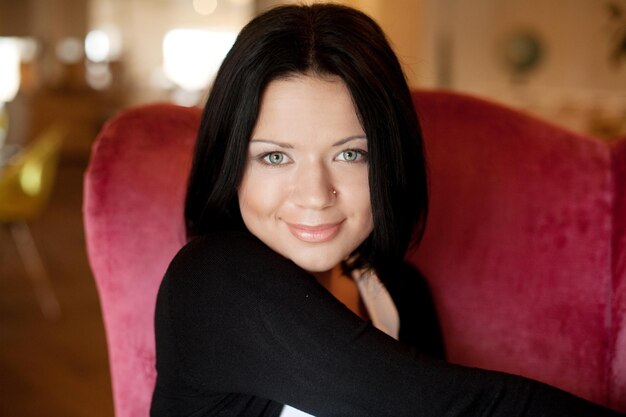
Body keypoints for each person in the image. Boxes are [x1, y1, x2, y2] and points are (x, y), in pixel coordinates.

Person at [150, 4, 624, 417]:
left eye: (350, 154)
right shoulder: (211, 284)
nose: (315, 195)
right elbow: (461, 409)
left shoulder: (402, 293)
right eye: (275, 156)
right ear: (229, 164)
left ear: (389, 160)